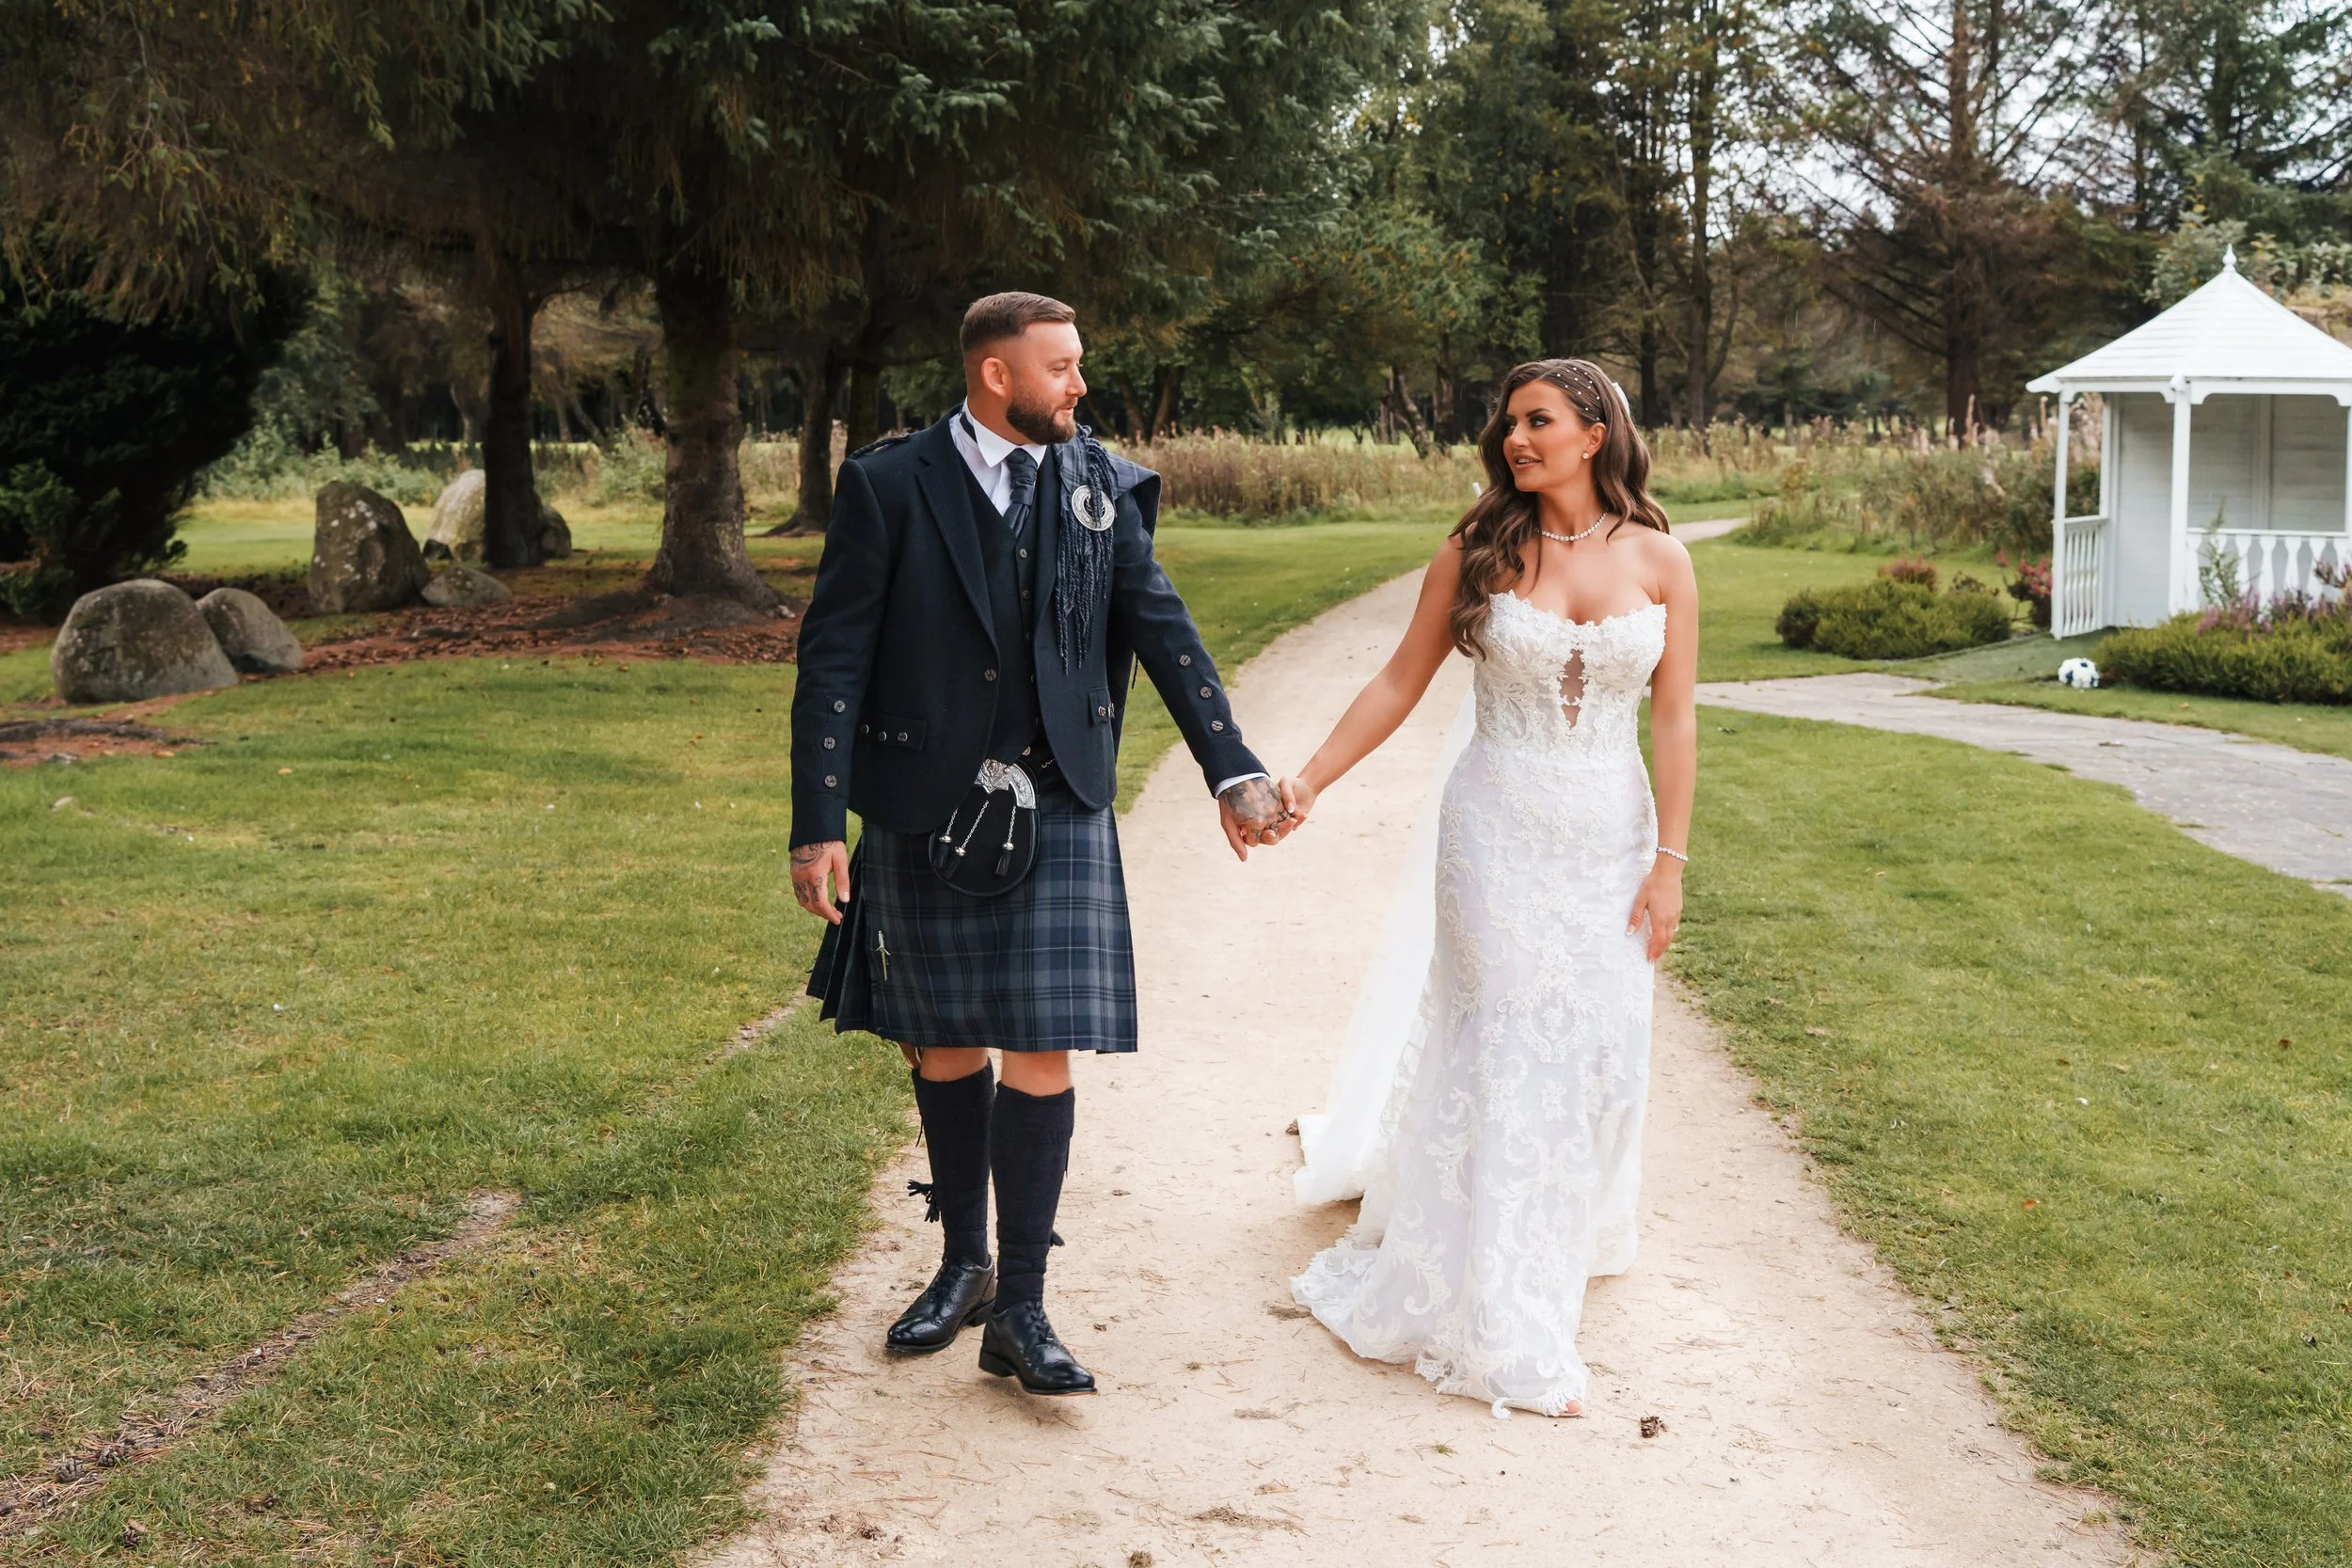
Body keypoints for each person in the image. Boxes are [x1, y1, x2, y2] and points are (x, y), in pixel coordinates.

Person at [787, 292, 1292, 1397]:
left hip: (1057, 792)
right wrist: (818, 821)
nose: (1077, 385)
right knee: (946, 1037)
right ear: (995, 377)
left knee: (1042, 1043)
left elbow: (1159, 623)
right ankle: (961, 1261)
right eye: (1058, 367)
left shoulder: (1097, 483)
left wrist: (1233, 766)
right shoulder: (887, 484)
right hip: (923, 799)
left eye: (1077, 366)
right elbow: (833, 660)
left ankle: (1021, 1302)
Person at [1278, 357, 1698, 1418]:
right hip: (1495, 829)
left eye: (1537, 420)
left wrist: (1669, 863)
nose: (1515, 438)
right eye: (1509, 422)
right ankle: (1505, 1309)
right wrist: (1309, 781)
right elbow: (1397, 680)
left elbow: (1676, 720)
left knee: (1595, 1050)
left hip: (1610, 832)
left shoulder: (1662, 559)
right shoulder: (1478, 548)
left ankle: (1554, 1231)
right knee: (1507, 1036)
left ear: (1594, 431)